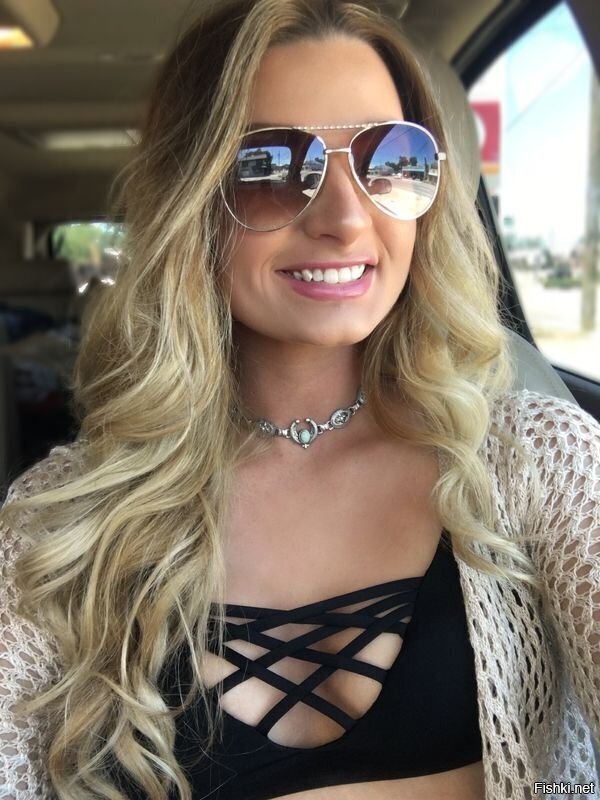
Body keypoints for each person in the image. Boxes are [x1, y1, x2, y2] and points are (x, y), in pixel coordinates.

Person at [0, 1, 598, 798]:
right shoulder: (61, 523)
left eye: (389, 160)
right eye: (273, 168)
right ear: (191, 199)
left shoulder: (541, 463)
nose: (347, 219)